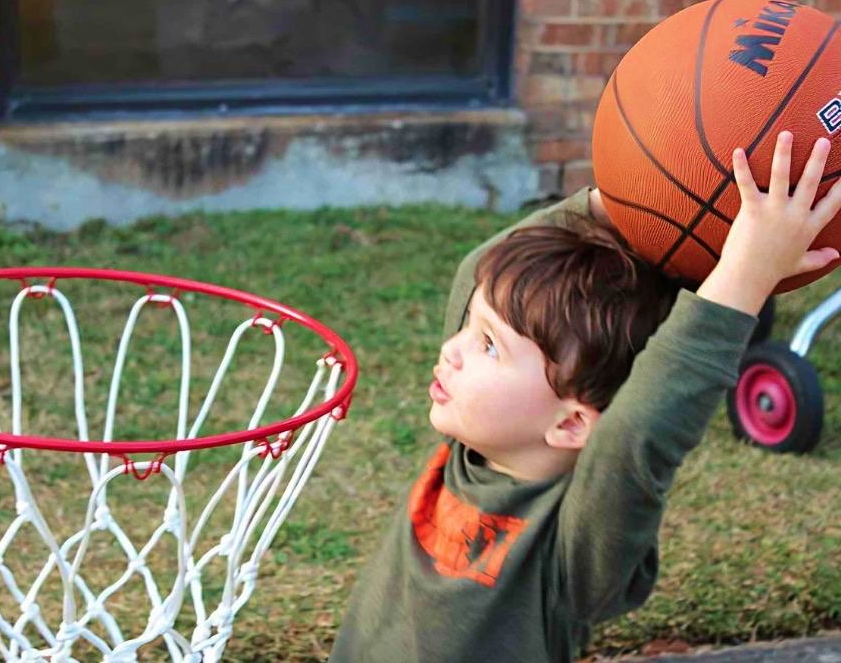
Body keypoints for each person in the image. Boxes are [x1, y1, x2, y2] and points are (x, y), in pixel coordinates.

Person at [329, 132, 841, 662]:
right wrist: (630, 199)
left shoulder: (577, 544)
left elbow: (639, 431)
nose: (452, 349)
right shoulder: (475, 448)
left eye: (487, 345)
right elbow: (479, 272)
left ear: (571, 424)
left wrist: (745, 276)